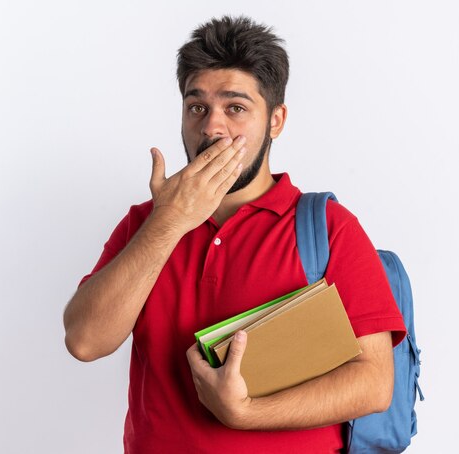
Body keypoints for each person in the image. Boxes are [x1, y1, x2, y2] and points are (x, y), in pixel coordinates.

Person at [63, 15, 406, 453]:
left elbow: (374, 384)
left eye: (235, 107)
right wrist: (169, 221)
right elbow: (85, 341)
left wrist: (245, 413)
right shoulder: (145, 224)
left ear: (276, 120)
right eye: (196, 106)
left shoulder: (328, 227)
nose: (211, 127)